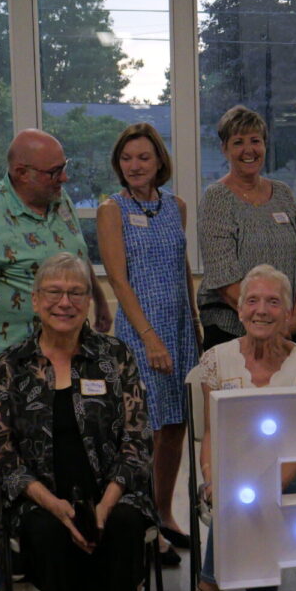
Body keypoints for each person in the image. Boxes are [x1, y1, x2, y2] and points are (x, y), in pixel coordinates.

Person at [0, 253, 155, 591]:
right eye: (54, 292)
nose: (65, 302)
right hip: (41, 498)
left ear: (89, 301)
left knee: (124, 527)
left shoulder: (115, 356)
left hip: (114, 491)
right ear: (35, 300)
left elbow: (138, 439)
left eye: (76, 292)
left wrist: (104, 504)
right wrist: (54, 505)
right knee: (45, 535)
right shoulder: (11, 364)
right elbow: (1, 453)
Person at [152, 265, 296, 591]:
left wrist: (252, 487)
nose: (261, 310)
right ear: (240, 309)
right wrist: (211, 476)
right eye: (253, 300)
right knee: (246, 498)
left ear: (287, 313)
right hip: (235, 474)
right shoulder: (217, 359)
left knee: (248, 498)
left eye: (273, 302)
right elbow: (212, 433)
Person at [97, 123, 200, 563]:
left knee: (176, 426)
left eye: (143, 157)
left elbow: (182, 267)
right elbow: (117, 279)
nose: (135, 165)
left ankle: (165, 513)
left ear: (159, 161)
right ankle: (143, 525)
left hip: (179, 327)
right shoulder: (112, 209)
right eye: (127, 158)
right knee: (147, 430)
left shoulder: (176, 206)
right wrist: (149, 336)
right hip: (142, 331)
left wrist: (193, 321)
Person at [0, 129, 109, 385]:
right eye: (54, 172)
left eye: (64, 167)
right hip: (11, 368)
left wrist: (100, 298)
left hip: (68, 357)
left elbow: (77, 253)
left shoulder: (59, 199)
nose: (64, 177)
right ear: (21, 173)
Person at [195, 106, 296, 350]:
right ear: (224, 149)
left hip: (287, 327)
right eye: (238, 142)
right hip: (231, 330)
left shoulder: (282, 193)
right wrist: (266, 321)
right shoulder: (216, 198)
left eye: (255, 141)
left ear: (264, 145)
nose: (248, 150)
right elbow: (223, 277)